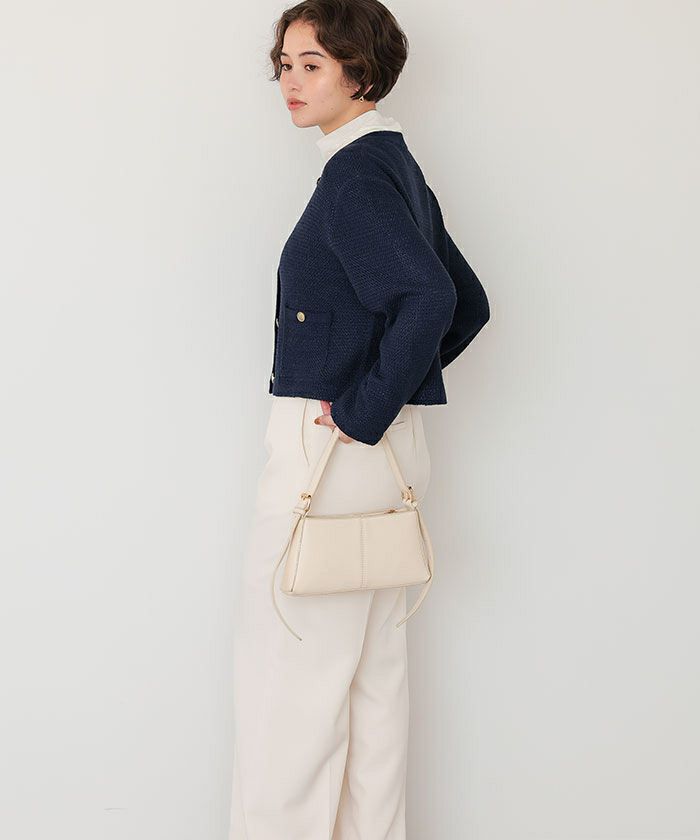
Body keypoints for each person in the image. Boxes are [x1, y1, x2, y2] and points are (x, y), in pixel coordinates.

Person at [229, 2, 490, 837]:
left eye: (313, 64)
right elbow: (465, 302)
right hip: (380, 461)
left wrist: (362, 408)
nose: (291, 80)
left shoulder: (355, 176)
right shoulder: (391, 163)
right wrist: (386, 404)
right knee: (372, 685)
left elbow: (436, 300)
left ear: (361, 70)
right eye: (286, 63)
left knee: (291, 688)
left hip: (330, 456)